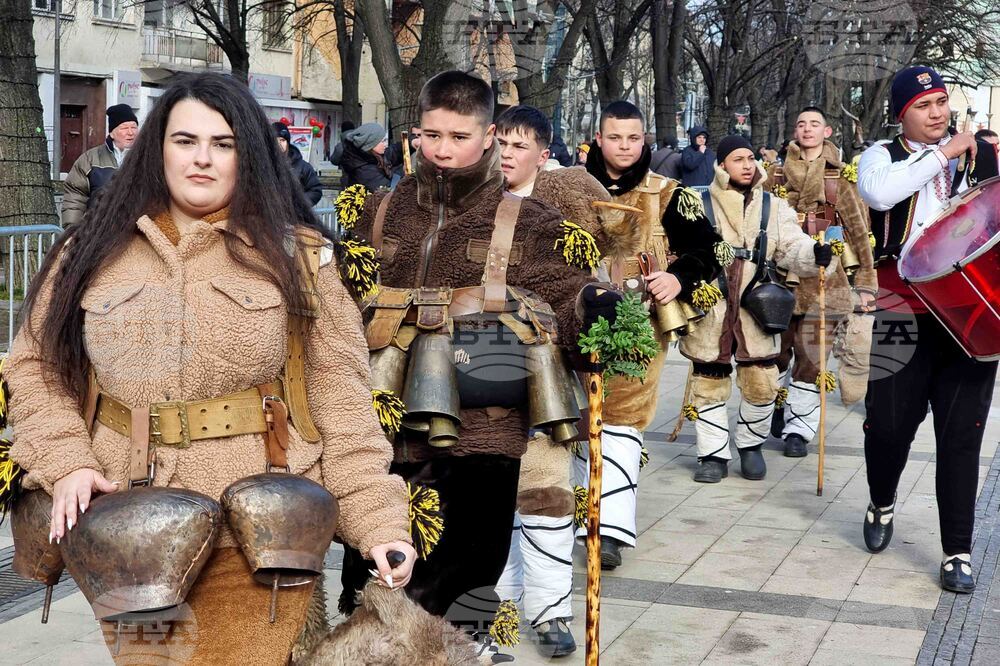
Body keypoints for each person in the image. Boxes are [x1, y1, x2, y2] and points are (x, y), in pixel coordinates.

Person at [5, 72, 414, 664]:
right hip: (126, 524)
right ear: (156, 149)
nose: (202, 159)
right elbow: (37, 371)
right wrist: (66, 463)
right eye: (185, 141)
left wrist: (378, 519)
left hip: (256, 526)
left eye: (223, 144)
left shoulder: (297, 254)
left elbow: (341, 399)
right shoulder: (89, 251)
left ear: (247, 155)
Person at [338, 71, 610, 659]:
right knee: (372, 588)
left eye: (459, 136)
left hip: (484, 431)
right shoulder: (378, 213)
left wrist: (596, 309)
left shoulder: (530, 222)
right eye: (430, 134)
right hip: (381, 431)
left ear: (489, 136)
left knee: (464, 587)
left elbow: (567, 296)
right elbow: (337, 303)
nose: (441, 150)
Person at [857, 65, 999, 593]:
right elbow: (879, 196)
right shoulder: (880, 156)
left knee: (962, 438)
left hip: (971, 316)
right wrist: (943, 153)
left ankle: (956, 550)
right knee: (889, 426)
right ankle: (882, 499)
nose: (937, 112)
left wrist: (980, 155)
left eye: (941, 101)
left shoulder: (984, 154)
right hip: (902, 311)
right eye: (924, 105)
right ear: (902, 114)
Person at [493, 104, 613, 658]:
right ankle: (490, 608)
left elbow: (587, 283)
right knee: (487, 498)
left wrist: (597, 316)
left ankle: (548, 610)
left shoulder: (567, 213)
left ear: (543, 154)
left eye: (518, 146)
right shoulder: (467, 206)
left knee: (546, 494)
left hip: (546, 373)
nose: (506, 155)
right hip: (476, 372)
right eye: (500, 144)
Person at [582, 100, 722, 568]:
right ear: (598, 138)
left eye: (633, 137)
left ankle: (610, 530)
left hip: (638, 322)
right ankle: (564, 515)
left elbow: (710, 249)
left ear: (644, 140)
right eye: (615, 136)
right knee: (570, 420)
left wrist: (679, 277)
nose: (624, 146)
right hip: (569, 316)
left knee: (623, 418)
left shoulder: (669, 193)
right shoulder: (566, 187)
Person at [680, 135, 835, 483]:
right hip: (712, 308)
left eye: (751, 157)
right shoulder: (697, 201)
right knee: (708, 383)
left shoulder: (773, 207)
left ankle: (751, 445)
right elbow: (679, 250)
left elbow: (792, 246)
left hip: (758, 307)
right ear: (722, 165)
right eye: (738, 159)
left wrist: (814, 255)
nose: (748, 165)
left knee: (763, 383)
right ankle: (712, 455)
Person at [766, 107, 877, 457]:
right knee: (775, 353)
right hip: (779, 278)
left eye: (814, 124)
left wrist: (866, 283)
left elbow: (859, 231)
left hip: (826, 283)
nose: (807, 129)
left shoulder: (839, 178)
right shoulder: (776, 174)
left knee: (813, 358)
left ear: (827, 132)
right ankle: (774, 404)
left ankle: (800, 428)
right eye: (801, 124)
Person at [61, 103, 139, 227]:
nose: (130, 133)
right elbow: (75, 198)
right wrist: (72, 231)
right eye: (124, 128)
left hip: (136, 233)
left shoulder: (148, 159)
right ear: (112, 133)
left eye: (134, 127)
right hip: (99, 232)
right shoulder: (90, 159)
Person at [272, 122, 324, 205]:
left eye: (282, 140)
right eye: (275, 141)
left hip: (295, 216)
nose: (279, 144)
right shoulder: (265, 166)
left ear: (288, 142)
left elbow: (316, 190)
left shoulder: (303, 167)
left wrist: (298, 204)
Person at [340, 122, 393, 191]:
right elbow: (386, 190)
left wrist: (411, 142)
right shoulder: (364, 171)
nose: (386, 145)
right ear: (371, 144)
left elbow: (393, 152)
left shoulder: (372, 156)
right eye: (383, 141)